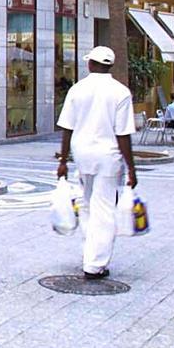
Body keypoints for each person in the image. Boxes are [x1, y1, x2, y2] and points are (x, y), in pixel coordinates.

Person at [56, 46, 138, 281]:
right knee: (104, 208)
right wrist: (131, 167)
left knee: (87, 205)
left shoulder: (77, 90)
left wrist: (63, 161)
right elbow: (123, 134)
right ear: (109, 66)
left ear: (90, 64)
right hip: (108, 157)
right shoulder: (120, 92)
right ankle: (94, 264)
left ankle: (90, 253)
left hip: (82, 155)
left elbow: (67, 128)